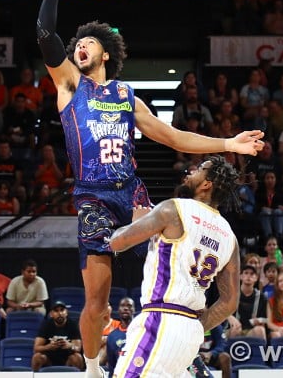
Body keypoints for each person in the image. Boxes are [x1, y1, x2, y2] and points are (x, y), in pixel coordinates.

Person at [37, 0, 263, 377]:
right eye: (76, 44)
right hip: (93, 197)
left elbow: (173, 137)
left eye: (87, 43)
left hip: (131, 191)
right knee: (97, 302)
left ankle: (183, 344)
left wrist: (228, 144)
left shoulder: (126, 95)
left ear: (105, 53)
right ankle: (92, 368)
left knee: (173, 267)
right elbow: (44, 31)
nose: (79, 47)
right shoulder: (69, 85)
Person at [107, 155, 242, 378]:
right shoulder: (229, 236)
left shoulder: (174, 209)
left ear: (207, 183)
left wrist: (136, 220)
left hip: (161, 319)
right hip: (190, 332)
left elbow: (117, 243)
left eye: (199, 169)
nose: (191, 171)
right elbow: (230, 302)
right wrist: (196, 324)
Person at [31, 301, 84, 371]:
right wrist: (49, 346)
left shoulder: (73, 325)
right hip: (50, 359)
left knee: (77, 357)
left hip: (67, 359)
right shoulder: (46, 325)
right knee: (37, 357)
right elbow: (36, 348)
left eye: (62, 310)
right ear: (51, 314)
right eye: (56, 311)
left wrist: (70, 346)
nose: (60, 313)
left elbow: (78, 348)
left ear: (66, 312)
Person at [225, 264, 267, 339]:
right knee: (235, 329)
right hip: (234, 328)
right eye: (246, 273)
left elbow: (265, 319)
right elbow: (222, 310)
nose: (248, 276)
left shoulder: (261, 297)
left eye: (252, 274)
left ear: (256, 278)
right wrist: (230, 317)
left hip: (251, 330)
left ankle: (261, 348)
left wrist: (259, 320)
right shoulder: (232, 294)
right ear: (240, 276)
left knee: (260, 330)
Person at [101, 298, 135, 373]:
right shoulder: (112, 336)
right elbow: (112, 367)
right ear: (118, 310)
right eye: (122, 306)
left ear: (134, 310)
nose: (126, 308)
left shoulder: (142, 331)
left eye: (129, 306)